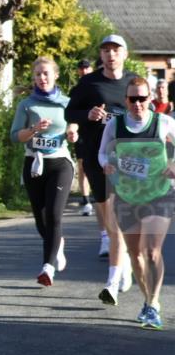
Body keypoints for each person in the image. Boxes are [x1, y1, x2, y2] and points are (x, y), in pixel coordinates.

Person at [65, 34, 138, 305]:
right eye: (106, 50)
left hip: (127, 160)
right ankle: (124, 261)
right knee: (109, 216)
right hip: (98, 157)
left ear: (124, 54)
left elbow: (148, 114)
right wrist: (88, 115)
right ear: (102, 55)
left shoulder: (132, 83)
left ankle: (114, 276)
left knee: (120, 218)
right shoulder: (88, 83)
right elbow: (69, 113)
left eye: (115, 50)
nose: (110, 55)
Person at [99, 76, 175, 329]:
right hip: (126, 196)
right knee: (135, 255)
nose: (138, 103)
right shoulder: (115, 125)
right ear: (126, 100)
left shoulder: (163, 122)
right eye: (133, 99)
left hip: (159, 194)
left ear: (150, 98)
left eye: (143, 98)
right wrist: (106, 164)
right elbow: (102, 152)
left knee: (152, 252)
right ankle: (147, 300)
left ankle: (153, 305)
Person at [11, 57, 77, 286]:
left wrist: (72, 133)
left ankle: (47, 268)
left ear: (55, 75)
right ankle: (57, 243)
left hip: (60, 163)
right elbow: (15, 136)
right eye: (38, 74)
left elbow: (75, 124)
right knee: (40, 218)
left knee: (53, 215)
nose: (42, 78)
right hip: (34, 163)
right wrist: (33, 130)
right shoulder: (27, 105)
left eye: (46, 73)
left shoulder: (67, 103)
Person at [75, 59, 96, 216]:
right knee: (82, 165)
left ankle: (98, 194)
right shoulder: (76, 90)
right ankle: (86, 199)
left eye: (86, 68)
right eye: (81, 68)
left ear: (91, 69)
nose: (84, 70)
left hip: (97, 132)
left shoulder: (97, 87)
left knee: (98, 165)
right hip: (81, 131)